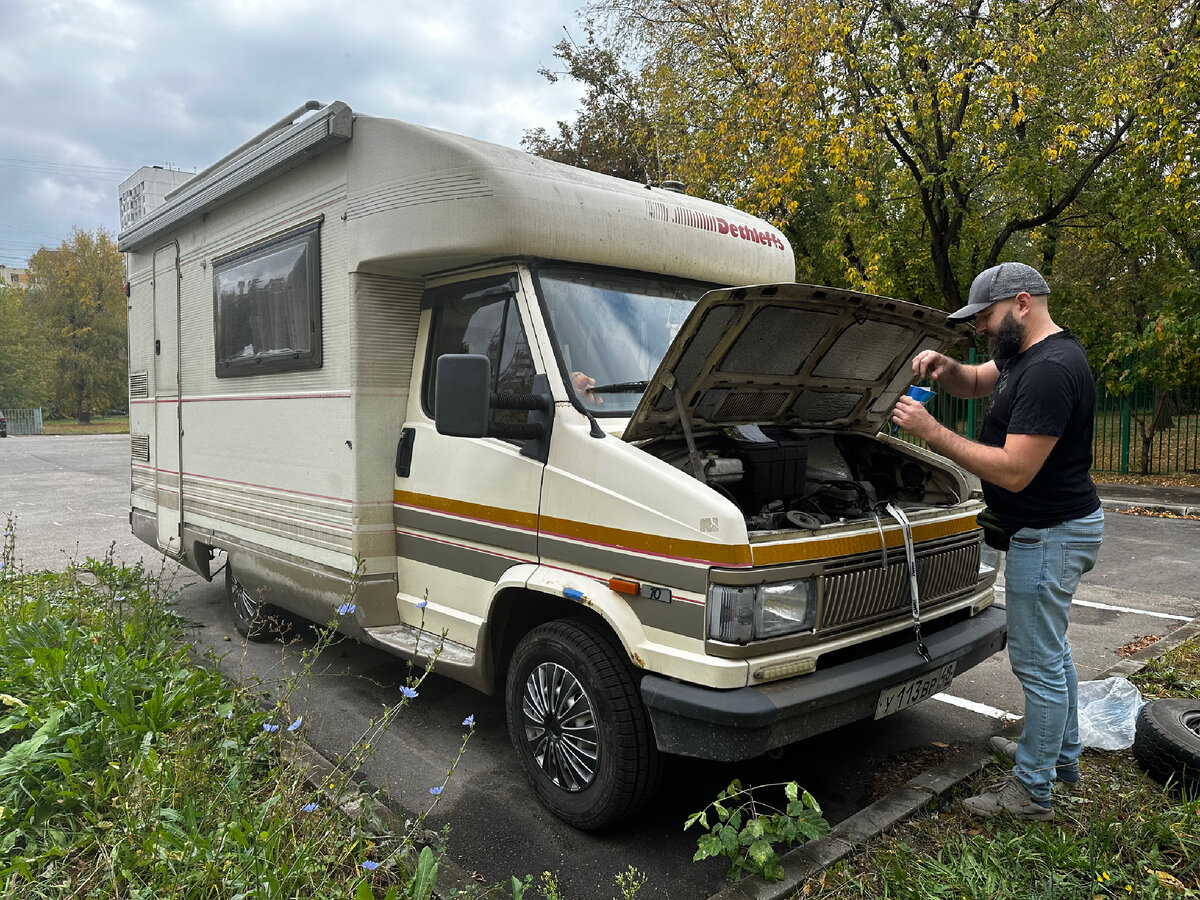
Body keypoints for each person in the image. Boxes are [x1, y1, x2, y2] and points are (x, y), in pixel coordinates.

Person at [891, 261, 1104, 822]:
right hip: (1053, 529)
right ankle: (1057, 757)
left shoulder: (1050, 370)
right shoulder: (1024, 353)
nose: (981, 327)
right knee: (1053, 654)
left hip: (1050, 535)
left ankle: (1032, 792)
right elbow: (976, 380)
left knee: (1037, 663)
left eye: (986, 316)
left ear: (1023, 303)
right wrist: (946, 368)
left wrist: (931, 432)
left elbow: (1013, 471)